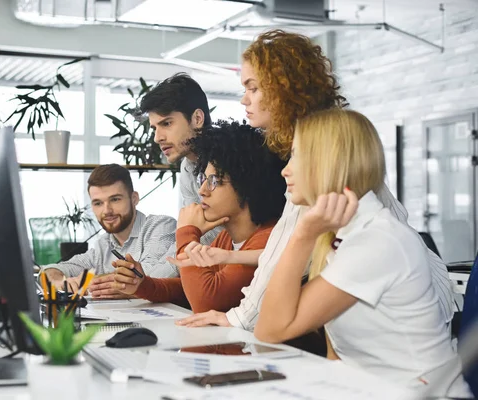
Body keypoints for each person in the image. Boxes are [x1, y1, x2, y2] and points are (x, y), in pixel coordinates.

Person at [175, 29, 454, 333]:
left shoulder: (324, 148)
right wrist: (232, 267)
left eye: (253, 88)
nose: (244, 99)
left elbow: (294, 242)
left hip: (405, 309)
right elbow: (290, 243)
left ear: (282, 88)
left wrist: (239, 317)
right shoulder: (309, 141)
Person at [254, 108, 469, 396]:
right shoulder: (344, 236)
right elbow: (338, 353)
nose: (285, 169)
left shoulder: (377, 241)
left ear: (328, 161)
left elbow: (270, 330)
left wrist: (303, 234)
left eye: (296, 155)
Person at [109, 121, 287, 313]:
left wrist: (186, 234)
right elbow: (190, 289)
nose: (202, 191)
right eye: (203, 179)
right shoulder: (227, 238)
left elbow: (207, 301)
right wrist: (142, 285)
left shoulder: (267, 238)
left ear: (246, 185)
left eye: (214, 181)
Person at [43, 164, 177, 295]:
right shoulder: (104, 244)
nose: (107, 211)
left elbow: (146, 277)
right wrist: (58, 282)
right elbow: (53, 270)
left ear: (134, 199)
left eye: (115, 199)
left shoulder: (161, 226)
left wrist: (89, 281)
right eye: (98, 203)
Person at [140, 73, 221, 245]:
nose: (157, 138)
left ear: (197, 119)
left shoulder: (229, 161)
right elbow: (195, 232)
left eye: (167, 123)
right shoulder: (187, 166)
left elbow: (204, 236)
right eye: (154, 128)